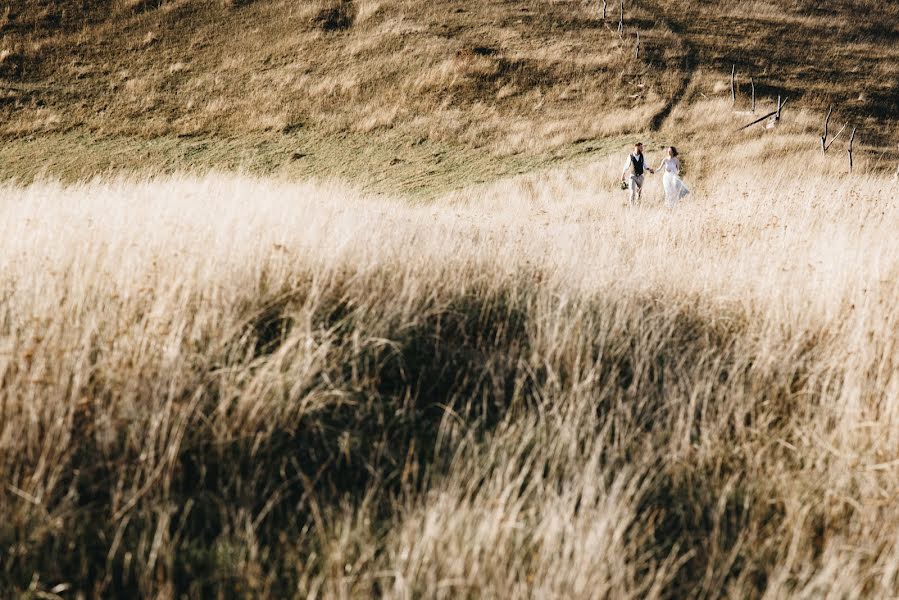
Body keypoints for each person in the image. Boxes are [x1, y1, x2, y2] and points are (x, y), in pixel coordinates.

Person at [621, 142, 654, 206]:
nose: (642, 149)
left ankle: (638, 206)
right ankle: (632, 208)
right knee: (632, 192)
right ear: (637, 147)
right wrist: (623, 174)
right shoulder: (630, 156)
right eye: (641, 148)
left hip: (641, 177)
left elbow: (645, 165)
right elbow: (626, 166)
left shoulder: (642, 156)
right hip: (633, 177)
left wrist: (649, 169)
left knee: (639, 193)